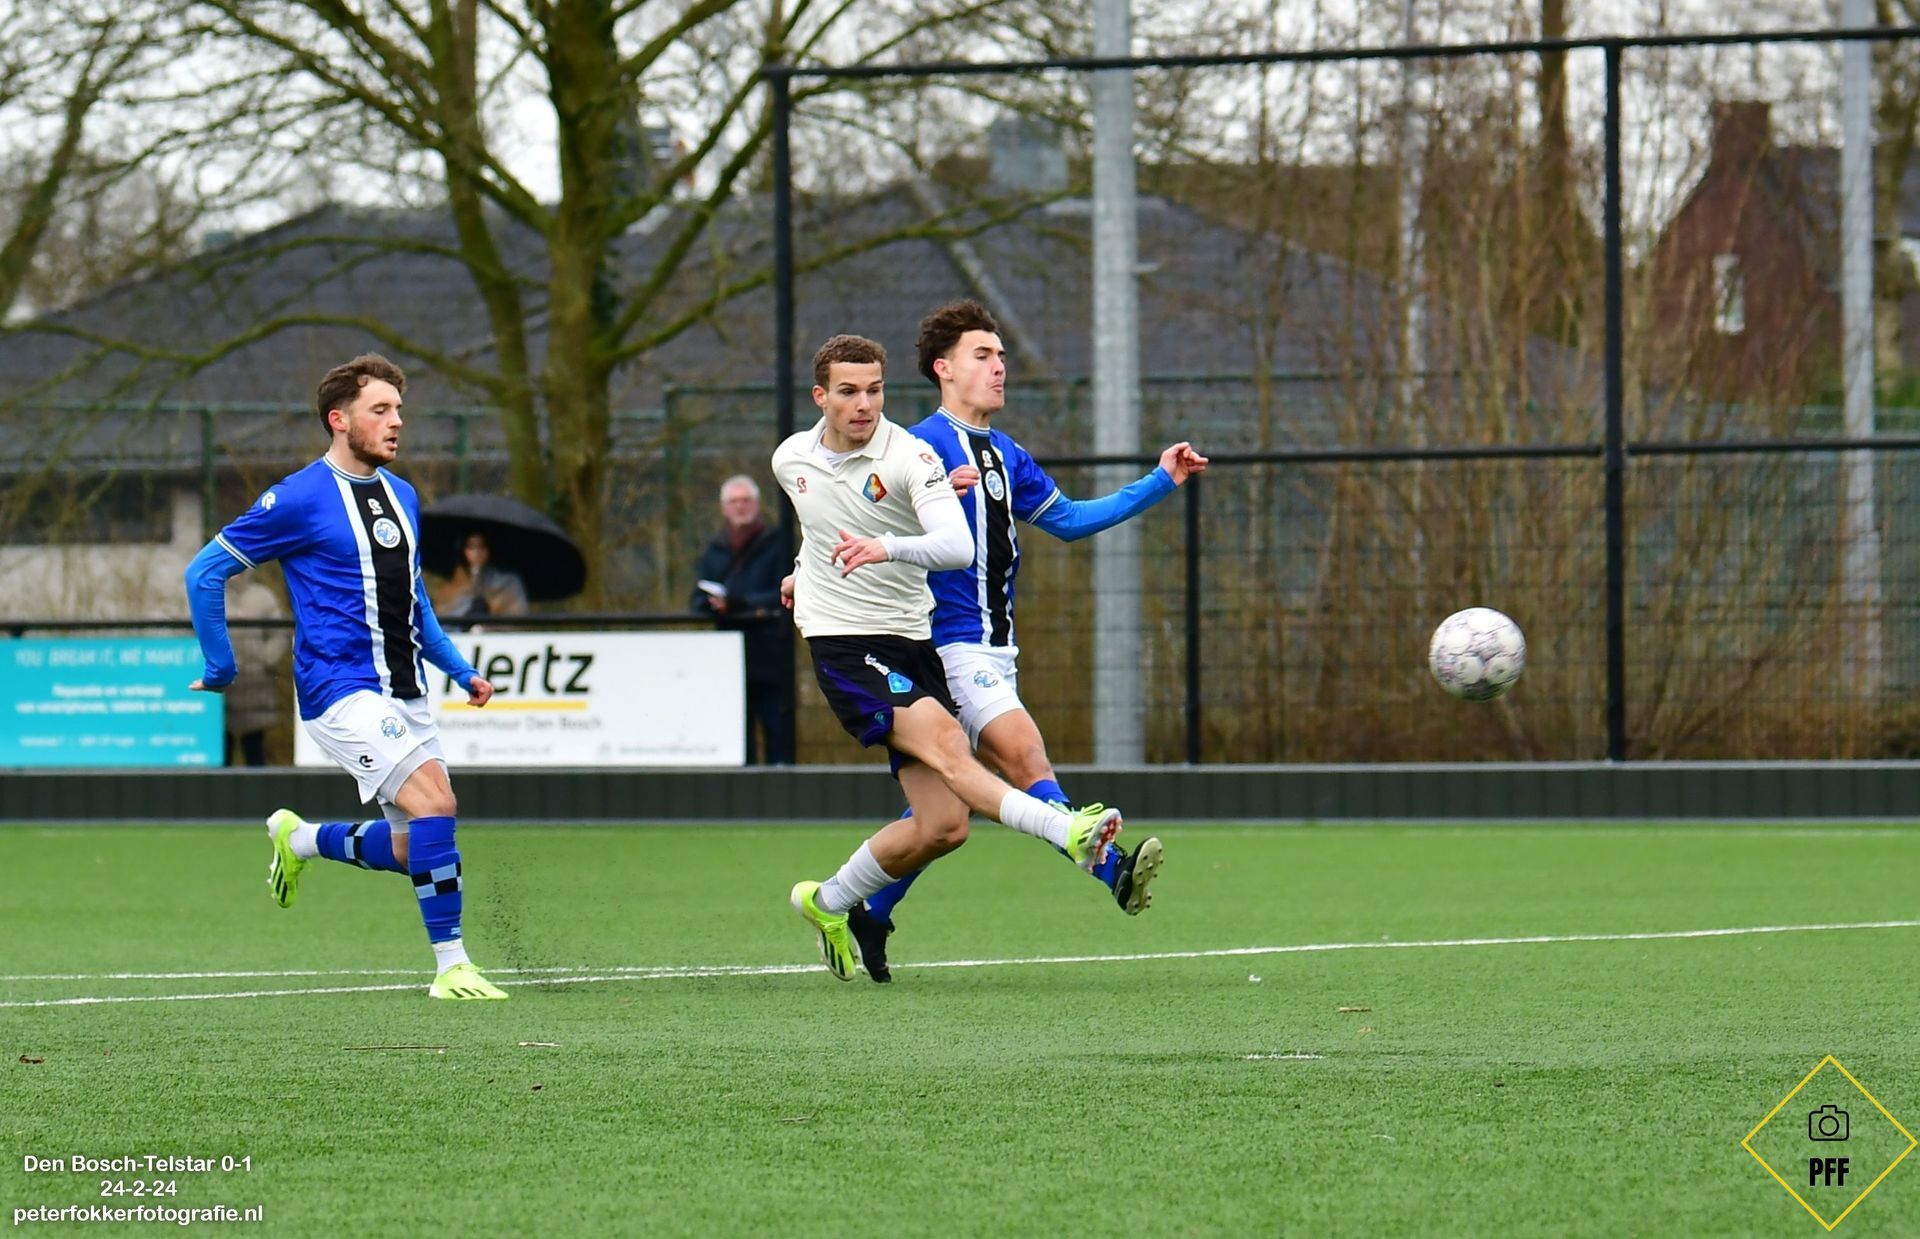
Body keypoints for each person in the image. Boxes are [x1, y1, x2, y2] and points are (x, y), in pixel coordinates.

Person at [846, 299, 1209, 982]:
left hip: (994, 651)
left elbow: (1070, 520)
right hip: (947, 647)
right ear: (943, 368)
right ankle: (1111, 868)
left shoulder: (1006, 454)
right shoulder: (915, 446)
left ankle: (869, 909)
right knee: (1025, 755)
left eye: (1001, 355)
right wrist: (805, 571)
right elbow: (853, 510)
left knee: (943, 818)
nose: (999, 367)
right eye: (983, 355)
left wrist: (1162, 478)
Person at [772, 333, 1128, 981]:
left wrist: (888, 544)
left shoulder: (912, 455)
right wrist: (806, 572)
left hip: (913, 641)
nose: (863, 404)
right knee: (952, 747)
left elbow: (956, 547)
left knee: (943, 825)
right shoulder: (790, 458)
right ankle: (1068, 833)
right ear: (820, 396)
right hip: (846, 643)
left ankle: (829, 901)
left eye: (874, 390)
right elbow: (822, 526)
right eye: (848, 392)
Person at [184, 352, 507, 1001]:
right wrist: (221, 664)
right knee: (437, 805)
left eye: (399, 410)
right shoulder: (298, 497)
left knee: (417, 848)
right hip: (339, 689)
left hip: (404, 691)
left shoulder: (402, 496)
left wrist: (459, 668)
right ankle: (452, 966)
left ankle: (300, 838)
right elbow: (205, 572)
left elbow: (414, 603)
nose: (396, 422)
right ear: (339, 419)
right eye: (379, 410)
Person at [690, 475, 795, 764]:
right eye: (734, 501)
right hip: (728, 660)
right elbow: (697, 597)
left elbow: (786, 590)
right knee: (736, 737)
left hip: (772, 656)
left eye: (746, 500)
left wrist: (741, 603)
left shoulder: (778, 544)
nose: (740, 507)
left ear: (757, 504)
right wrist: (712, 605)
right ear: (724, 508)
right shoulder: (714, 550)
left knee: (778, 733)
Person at [222, 578, 288, 767]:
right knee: (222, 752)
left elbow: (279, 634)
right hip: (222, 689)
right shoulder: (212, 595)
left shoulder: (263, 596)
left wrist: (266, 658)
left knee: (255, 750)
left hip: (257, 687)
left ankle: (258, 787)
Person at [432, 530, 529, 619]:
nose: (477, 552)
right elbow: (444, 616)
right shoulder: (451, 584)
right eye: (471, 547)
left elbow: (517, 615)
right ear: (464, 550)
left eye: (482, 547)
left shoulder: (509, 582)